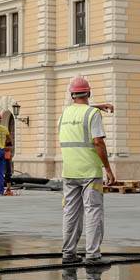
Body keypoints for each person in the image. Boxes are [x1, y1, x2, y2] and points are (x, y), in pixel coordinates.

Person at [58, 76, 116, 264]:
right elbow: (98, 142)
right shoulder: (93, 115)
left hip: (69, 171)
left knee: (70, 213)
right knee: (92, 211)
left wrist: (97, 106)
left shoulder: (64, 114)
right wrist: (108, 168)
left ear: (72, 94)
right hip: (90, 172)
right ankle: (92, 254)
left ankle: (68, 253)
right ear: (88, 93)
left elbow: (80, 112)